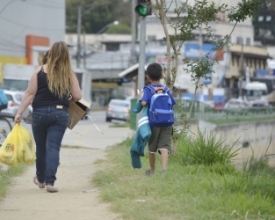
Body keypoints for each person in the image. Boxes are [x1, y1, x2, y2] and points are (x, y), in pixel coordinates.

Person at [14, 41, 82, 192]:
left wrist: (19, 113)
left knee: (41, 148)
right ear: (66, 56)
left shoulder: (39, 71)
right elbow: (78, 96)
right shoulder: (68, 74)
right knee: (53, 147)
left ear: (50, 53)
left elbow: (30, 93)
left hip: (39, 114)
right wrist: (67, 101)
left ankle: (41, 179)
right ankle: (50, 183)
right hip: (59, 114)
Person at [140, 63, 176, 176]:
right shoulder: (166, 89)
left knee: (152, 148)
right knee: (165, 146)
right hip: (167, 121)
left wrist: (141, 98)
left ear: (148, 77)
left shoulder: (148, 90)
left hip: (154, 122)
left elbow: (144, 102)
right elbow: (172, 103)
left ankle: (152, 170)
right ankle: (164, 169)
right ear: (161, 75)